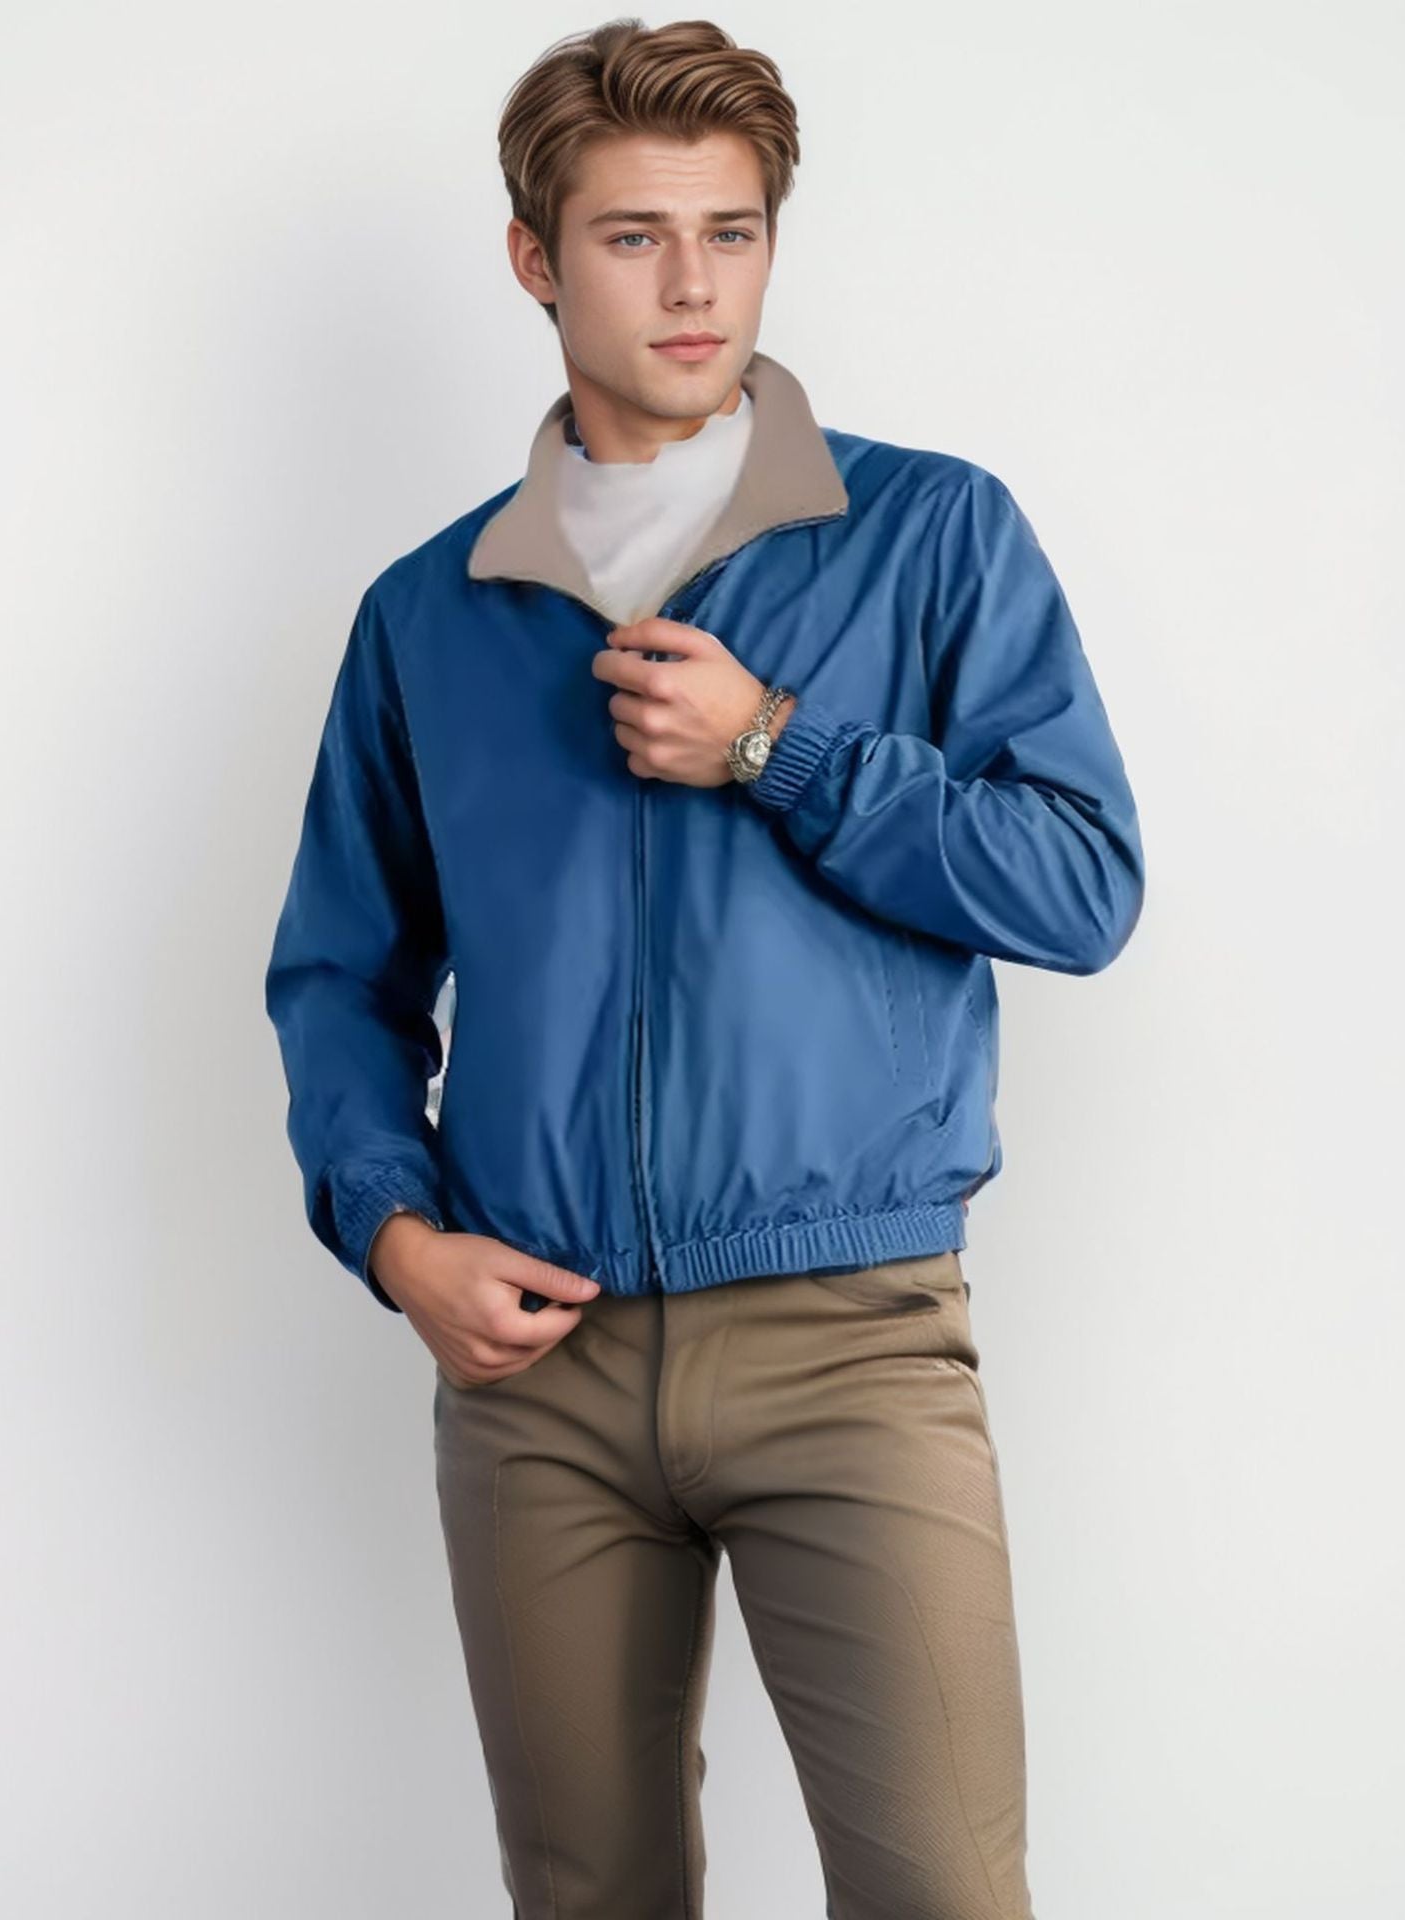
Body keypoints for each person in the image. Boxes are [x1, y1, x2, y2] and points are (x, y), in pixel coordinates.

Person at [265, 19, 1144, 1918]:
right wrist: (397, 1237)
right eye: (635, 236)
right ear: (535, 257)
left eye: (731, 234)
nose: (692, 286)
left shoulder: (930, 535)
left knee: (944, 1894)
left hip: (852, 1340)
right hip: (541, 1375)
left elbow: (1082, 884)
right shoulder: (429, 614)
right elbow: (340, 973)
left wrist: (778, 747)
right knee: (589, 1897)